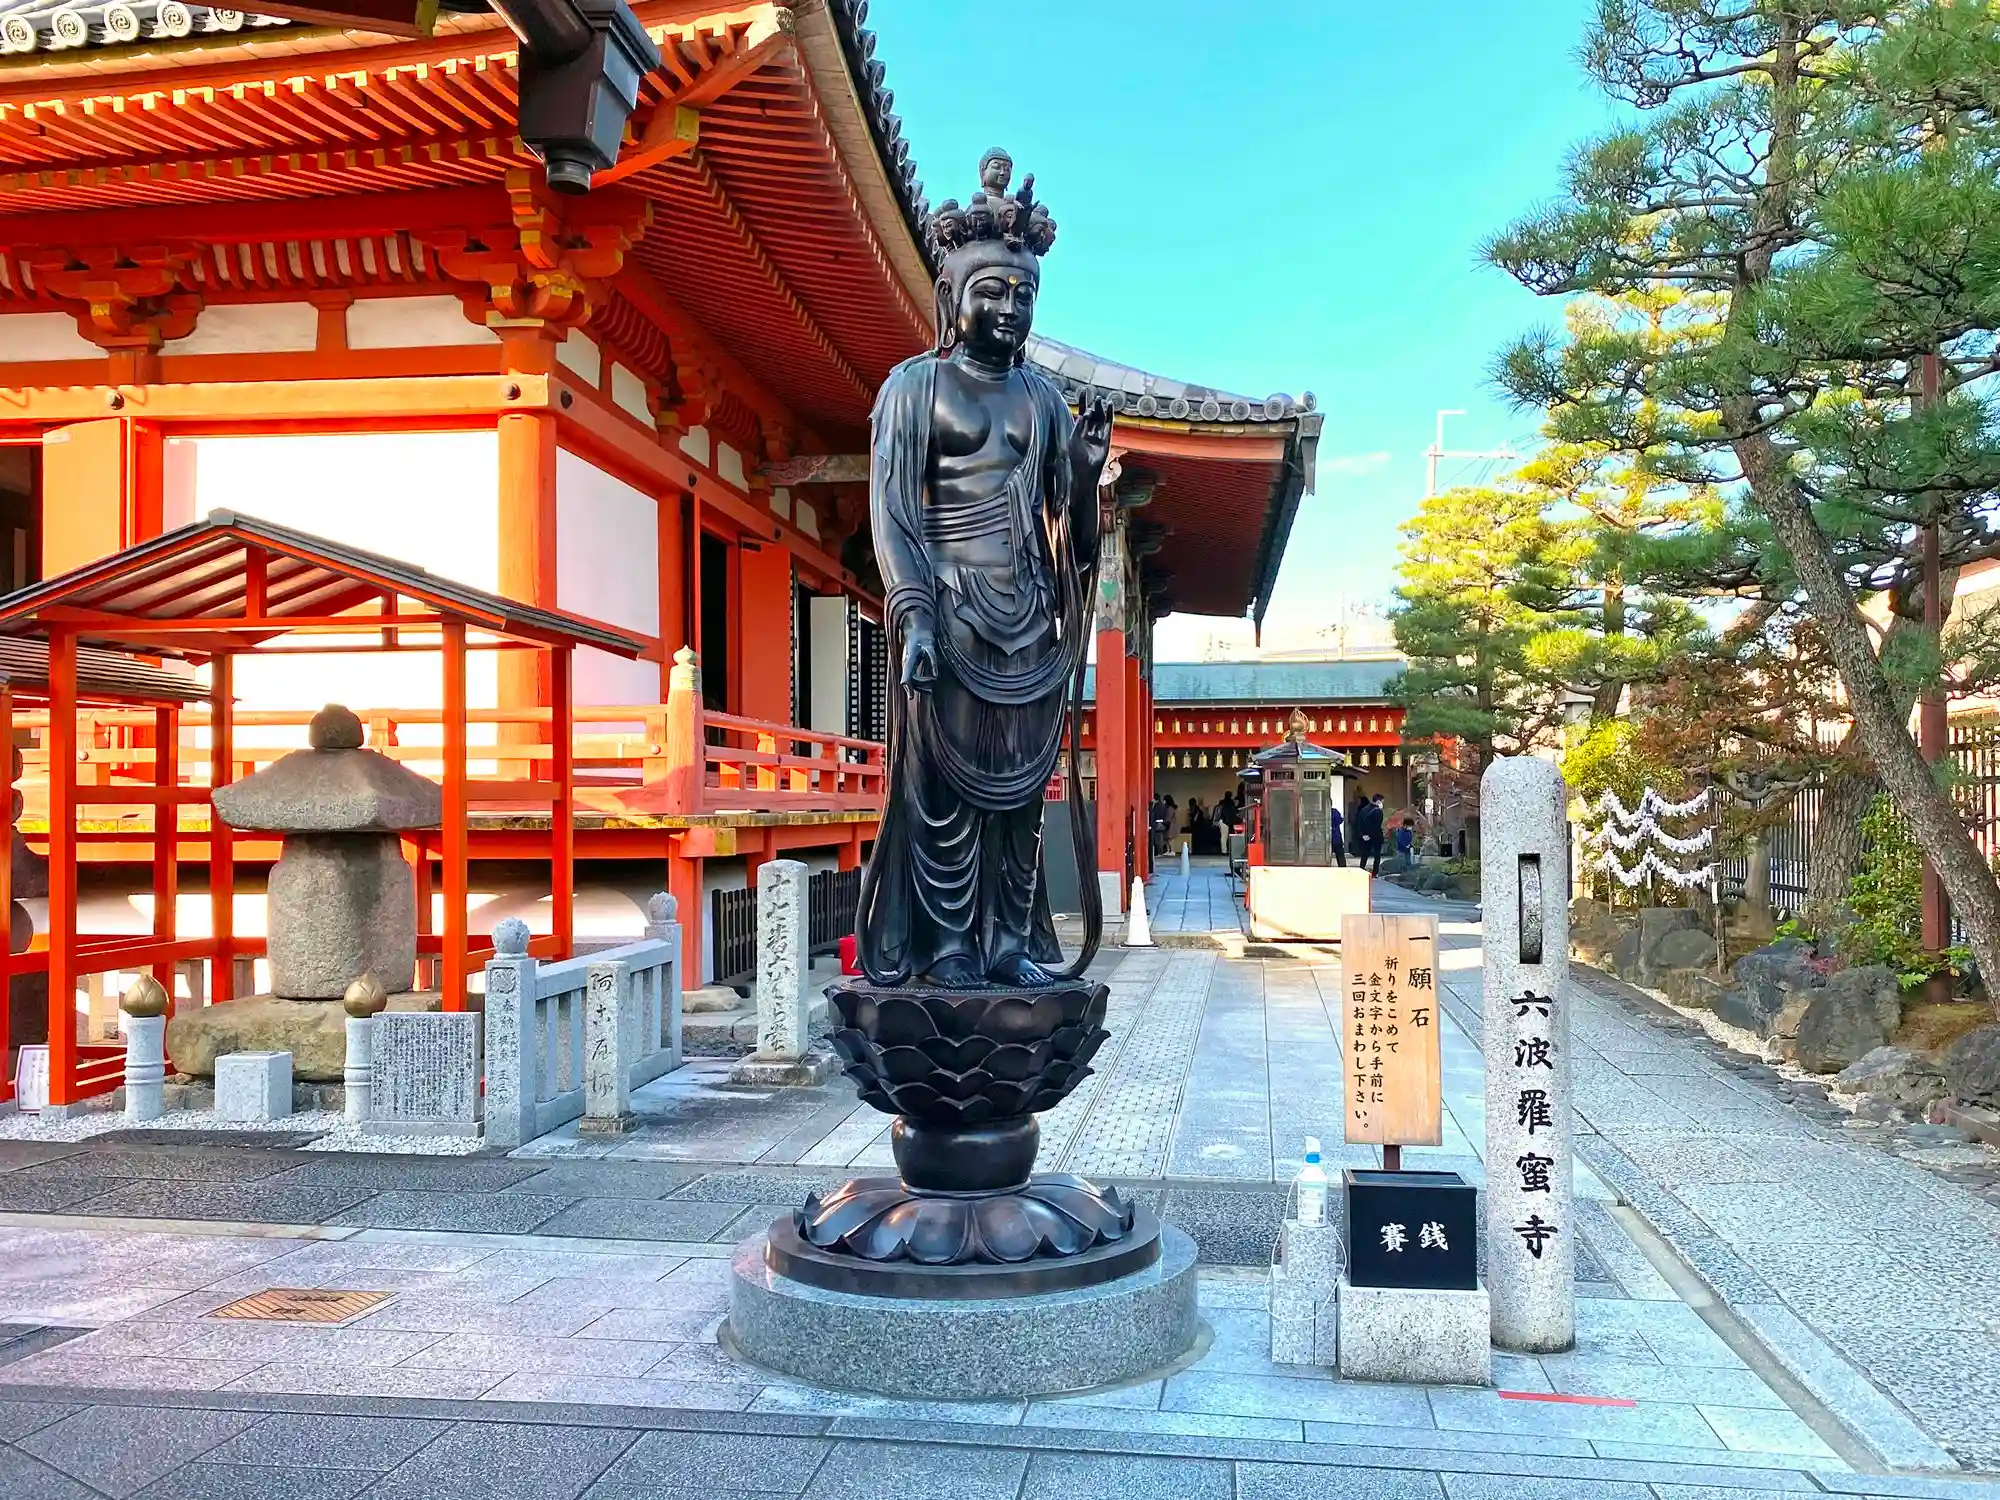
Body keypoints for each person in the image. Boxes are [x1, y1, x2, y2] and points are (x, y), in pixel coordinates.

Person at [853, 147, 1112, 990]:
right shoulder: (913, 388)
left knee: (1020, 795)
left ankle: (1007, 940)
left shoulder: (1043, 400)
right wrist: (915, 615)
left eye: (1024, 295)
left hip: (1030, 613)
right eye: (992, 292)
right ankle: (948, 945)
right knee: (944, 795)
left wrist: (1083, 476)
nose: (1009, 309)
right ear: (952, 297)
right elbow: (893, 514)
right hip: (952, 604)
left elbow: (1074, 535)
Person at [1357, 793, 1387, 875]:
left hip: (1365, 836)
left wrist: (1362, 835)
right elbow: (1376, 826)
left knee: (1365, 855)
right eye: (1382, 802)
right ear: (1378, 802)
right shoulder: (1378, 812)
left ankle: (1361, 870)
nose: (1382, 804)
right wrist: (1370, 835)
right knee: (1377, 856)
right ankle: (1374, 873)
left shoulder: (1363, 810)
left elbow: (1359, 823)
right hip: (1375, 836)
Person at [1327, 801, 1346, 868]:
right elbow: (1340, 820)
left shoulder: (1323, 813)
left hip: (1326, 837)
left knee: (1326, 856)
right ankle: (1343, 869)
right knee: (1340, 856)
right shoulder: (1335, 812)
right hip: (1336, 837)